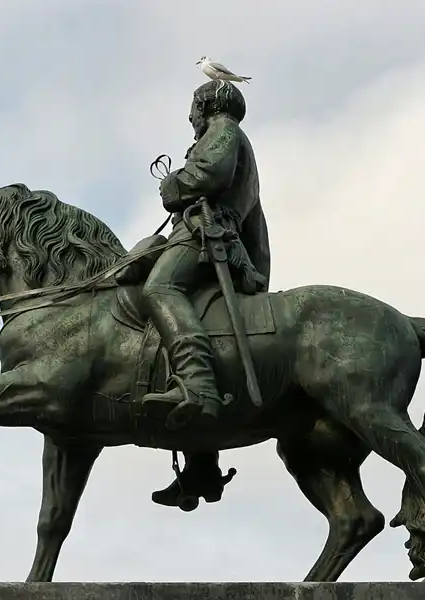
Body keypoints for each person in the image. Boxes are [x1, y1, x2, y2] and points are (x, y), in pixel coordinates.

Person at [141, 80, 271, 508]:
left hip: (210, 236)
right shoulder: (225, 133)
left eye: (193, 108)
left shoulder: (223, 130)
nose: (190, 117)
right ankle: (201, 465)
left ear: (207, 105)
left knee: (160, 288)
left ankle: (197, 386)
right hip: (209, 235)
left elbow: (209, 174)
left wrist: (174, 185)